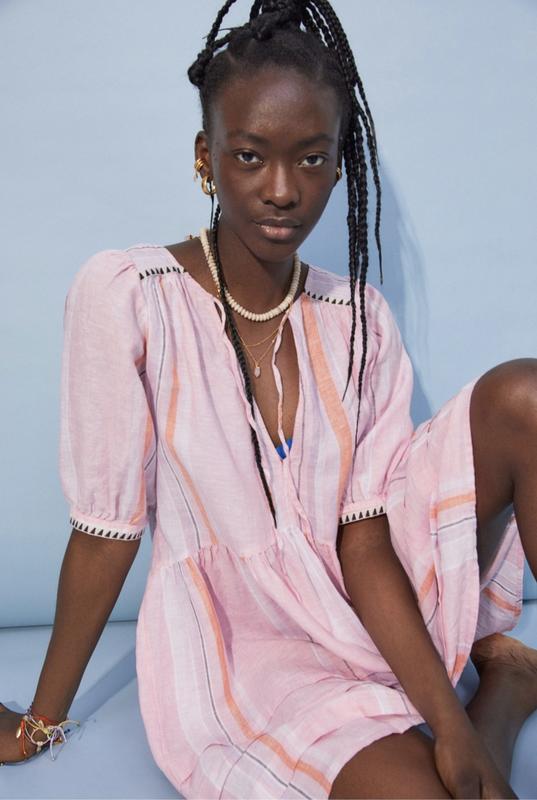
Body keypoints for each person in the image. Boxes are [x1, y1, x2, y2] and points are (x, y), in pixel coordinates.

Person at [1, 0, 536, 796]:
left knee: (526, 394)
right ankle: (507, 690)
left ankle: (474, 703)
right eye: (250, 156)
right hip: (250, 640)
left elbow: (363, 539)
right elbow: (106, 532)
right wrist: (40, 720)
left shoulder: (357, 318)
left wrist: (447, 727)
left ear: (338, 164)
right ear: (206, 157)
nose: (283, 191)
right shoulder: (130, 296)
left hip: (376, 597)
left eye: (311, 159)